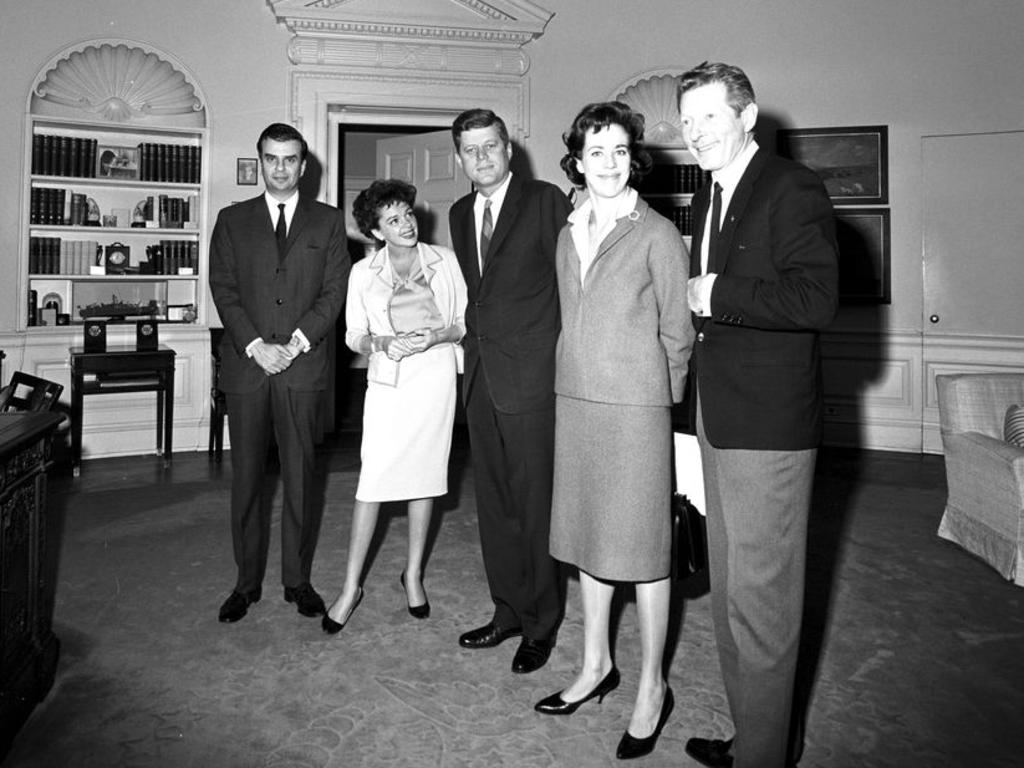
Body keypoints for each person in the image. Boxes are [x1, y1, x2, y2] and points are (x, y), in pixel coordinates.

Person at [677, 62, 839, 768]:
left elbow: (815, 301)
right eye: (687, 122)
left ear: (746, 118)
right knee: (729, 597)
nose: (696, 132)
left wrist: (718, 294)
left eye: (710, 116)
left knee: (763, 606)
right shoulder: (712, 193)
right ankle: (758, 740)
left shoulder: (790, 187)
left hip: (769, 430)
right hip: (720, 420)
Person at [533, 101, 693, 761]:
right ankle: (596, 663)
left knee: (646, 551)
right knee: (588, 541)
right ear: (577, 159)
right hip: (576, 401)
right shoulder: (568, 230)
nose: (607, 163)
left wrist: (660, 407)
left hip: (636, 411)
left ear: (635, 159)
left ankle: (652, 685)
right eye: (595, 151)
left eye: (620, 151)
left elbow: (678, 336)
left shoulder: (658, 234)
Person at [210, 122, 349, 624]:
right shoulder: (231, 220)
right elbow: (223, 289)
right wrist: (255, 346)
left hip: (302, 367)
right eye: (272, 158)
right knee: (247, 480)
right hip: (248, 369)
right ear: (260, 161)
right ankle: (245, 584)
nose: (281, 168)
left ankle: (298, 580)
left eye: (290, 159)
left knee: (301, 479)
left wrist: (293, 344)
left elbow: (335, 292)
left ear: (304, 165)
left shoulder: (329, 222)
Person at [449, 108, 573, 674]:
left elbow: (573, 287)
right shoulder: (457, 213)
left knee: (535, 505)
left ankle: (541, 624)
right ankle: (507, 612)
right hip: (479, 378)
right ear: (459, 158)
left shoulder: (548, 202)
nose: (482, 157)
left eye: (490, 146)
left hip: (534, 380)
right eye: (470, 149)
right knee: (495, 505)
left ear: (509, 149)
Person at [321, 179, 467, 633]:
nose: (406, 224)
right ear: (377, 231)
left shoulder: (445, 262)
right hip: (388, 383)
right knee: (373, 482)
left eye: (407, 214)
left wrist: (437, 335)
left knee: (426, 478)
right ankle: (350, 587)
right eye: (393, 219)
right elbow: (352, 334)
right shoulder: (363, 273)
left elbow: (463, 322)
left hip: (435, 379)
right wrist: (381, 341)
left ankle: (414, 574)